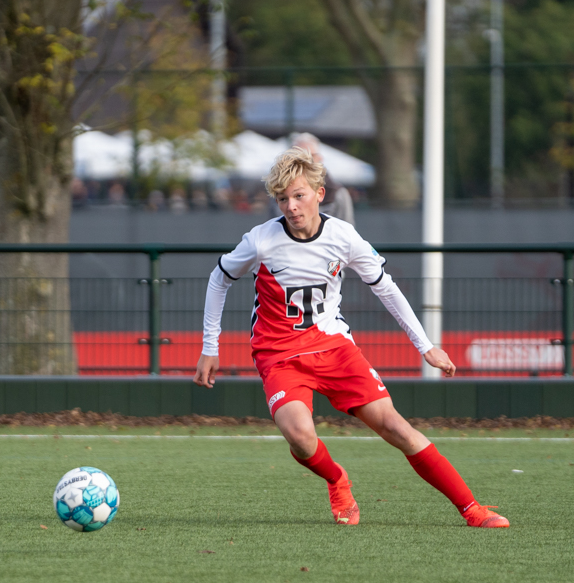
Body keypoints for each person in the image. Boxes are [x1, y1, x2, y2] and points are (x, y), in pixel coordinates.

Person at [193, 147, 508, 529]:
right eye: (282, 199)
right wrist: (210, 347)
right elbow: (219, 278)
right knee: (300, 437)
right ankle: (337, 479)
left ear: (319, 193)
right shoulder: (261, 240)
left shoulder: (343, 237)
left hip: (334, 348)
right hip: (279, 355)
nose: (291, 206)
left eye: (299, 195)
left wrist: (425, 346)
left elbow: (385, 288)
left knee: (396, 428)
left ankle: (472, 509)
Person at [291, 132, 354, 225]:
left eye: (310, 156)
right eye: (299, 157)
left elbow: (346, 229)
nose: (305, 161)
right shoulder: (280, 191)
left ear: (319, 158)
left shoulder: (337, 193)